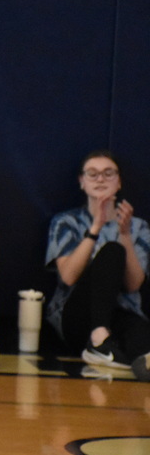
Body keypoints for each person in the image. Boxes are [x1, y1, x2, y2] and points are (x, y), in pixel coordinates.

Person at [45, 150, 150, 381]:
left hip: (120, 312)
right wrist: (96, 228)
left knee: (142, 339)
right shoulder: (65, 222)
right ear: (82, 182)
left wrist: (124, 234)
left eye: (108, 173)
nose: (100, 179)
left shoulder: (138, 227)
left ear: (119, 181)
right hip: (77, 317)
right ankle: (98, 339)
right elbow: (69, 277)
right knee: (112, 252)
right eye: (92, 174)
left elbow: (133, 285)